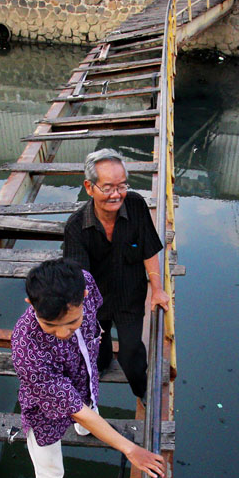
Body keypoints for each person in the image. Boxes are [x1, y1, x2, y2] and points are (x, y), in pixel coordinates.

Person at [11, 258, 166, 478]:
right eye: (50, 325)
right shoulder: (26, 348)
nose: (62, 333)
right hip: (44, 405)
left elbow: (96, 316)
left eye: (71, 322)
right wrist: (130, 449)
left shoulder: (86, 282)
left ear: (83, 296)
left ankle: (87, 430)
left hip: (84, 373)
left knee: (89, 410)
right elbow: (74, 409)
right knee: (49, 469)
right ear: (30, 303)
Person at [63, 149, 170, 400]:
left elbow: (148, 250)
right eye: (108, 187)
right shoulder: (76, 228)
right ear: (89, 187)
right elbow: (80, 280)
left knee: (132, 351)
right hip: (95, 303)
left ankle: (142, 390)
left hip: (130, 297)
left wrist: (157, 289)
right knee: (98, 354)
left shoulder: (135, 204)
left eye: (122, 186)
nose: (116, 194)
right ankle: (101, 365)